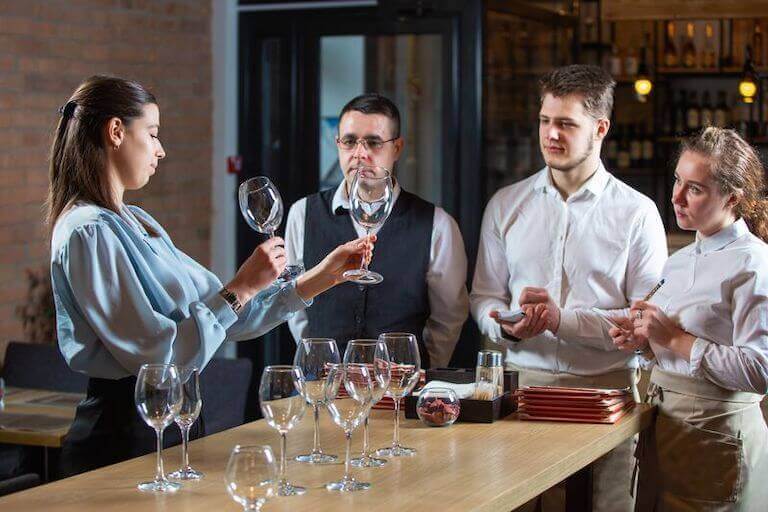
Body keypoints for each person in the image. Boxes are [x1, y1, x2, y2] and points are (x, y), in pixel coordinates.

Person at [48, 75, 373, 477]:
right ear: (116, 132)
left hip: (170, 427)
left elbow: (228, 316)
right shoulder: (87, 231)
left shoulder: (137, 222)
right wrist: (240, 288)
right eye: (151, 134)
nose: (160, 149)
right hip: (122, 435)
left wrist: (323, 276)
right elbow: (158, 359)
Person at [470, 65, 668, 512]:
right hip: (520, 394)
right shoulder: (505, 205)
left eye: (565, 124)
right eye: (545, 120)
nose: (550, 134)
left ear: (600, 128)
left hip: (606, 397)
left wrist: (563, 320)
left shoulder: (638, 214)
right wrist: (505, 327)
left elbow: (643, 323)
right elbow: (483, 297)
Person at [610, 127, 768, 511]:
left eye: (694, 188)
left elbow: (761, 370)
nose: (676, 197)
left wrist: (676, 340)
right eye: (678, 180)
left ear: (733, 197)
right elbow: (673, 351)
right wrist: (645, 343)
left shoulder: (755, 262)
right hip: (663, 427)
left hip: (717, 439)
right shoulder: (677, 260)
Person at [285, 93, 468, 368]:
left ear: (397, 148)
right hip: (324, 387)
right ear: (338, 145)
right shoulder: (303, 213)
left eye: (373, 142)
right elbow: (293, 306)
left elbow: (448, 318)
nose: (360, 153)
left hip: (400, 392)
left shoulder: (437, 224)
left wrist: (418, 372)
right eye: (349, 142)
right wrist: (316, 360)